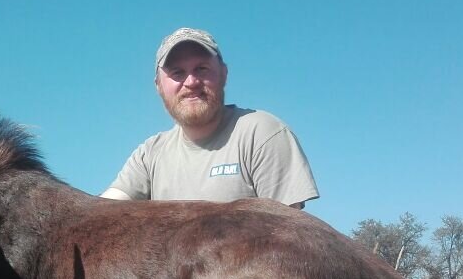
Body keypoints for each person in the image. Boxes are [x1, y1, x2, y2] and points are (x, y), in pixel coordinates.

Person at [101, 27, 318, 209]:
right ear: (158, 85)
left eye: (202, 68)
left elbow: (287, 237)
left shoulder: (262, 133)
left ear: (224, 74)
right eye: (177, 73)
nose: (191, 82)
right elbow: (102, 213)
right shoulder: (149, 155)